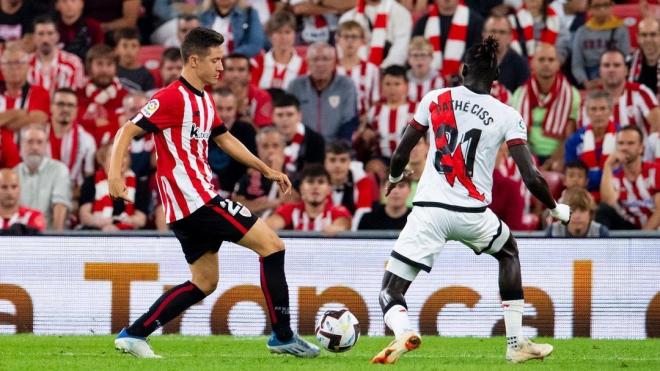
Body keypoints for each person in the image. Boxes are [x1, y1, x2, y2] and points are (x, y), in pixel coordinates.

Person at [109, 27, 319, 358]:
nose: (221, 68)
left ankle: (134, 335)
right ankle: (282, 335)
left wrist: (265, 169)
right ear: (194, 61)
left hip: (189, 207)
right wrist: (114, 177)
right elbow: (126, 131)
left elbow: (224, 138)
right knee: (273, 246)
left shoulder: (204, 99)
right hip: (197, 201)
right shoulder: (170, 97)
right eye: (216, 60)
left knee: (204, 282)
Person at [370, 36, 570, 365]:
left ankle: (403, 332)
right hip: (473, 213)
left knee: (390, 290)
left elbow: (401, 153)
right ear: (496, 79)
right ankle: (515, 341)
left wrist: (394, 179)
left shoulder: (434, 99)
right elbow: (531, 177)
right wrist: (556, 209)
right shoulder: (507, 114)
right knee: (508, 252)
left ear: (463, 70)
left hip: (429, 212)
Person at [511, 43, 581, 171]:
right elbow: (516, 133)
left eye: (551, 60)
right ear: (532, 63)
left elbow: (569, 135)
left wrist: (552, 161)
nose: (546, 64)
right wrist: (531, 162)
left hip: (559, 156)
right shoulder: (519, 94)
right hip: (528, 154)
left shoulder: (572, 94)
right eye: (541, 59)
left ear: (558, 64)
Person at [288, 42, 358, 141]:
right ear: (307, 62)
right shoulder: (295, 86)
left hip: (336, 148)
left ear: (334, 62)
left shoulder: (346, 85)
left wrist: (339, 148)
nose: (320, 64)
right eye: (315, 59)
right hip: (304, 146)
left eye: (325, 59)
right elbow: (290, 120)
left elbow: (349, 120)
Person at [582, 49, 660, 138]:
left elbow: (657, 125)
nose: (611, 70)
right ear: (600, 71)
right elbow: (585, 132)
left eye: (617, 65)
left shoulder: (641, 92)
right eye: (606, 65)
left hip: (639, 150)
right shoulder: (590, 99)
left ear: (626, 70)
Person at [597, 126, 660, 230]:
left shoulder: (655, 170)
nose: (624, 148)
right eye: (621, 143)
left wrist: (642, 237)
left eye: (630, 143)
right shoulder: (614, 177)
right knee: (602, 210)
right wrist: (607, 166)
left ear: (641, 148)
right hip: (628, 228)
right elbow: (608, 202)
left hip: (654, 232)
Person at [79, 142, 148, 231]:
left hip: (128, 234)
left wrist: (118, 226)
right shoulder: (91, 182)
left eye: (124, 156)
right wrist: (106, 224)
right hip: (96, 233)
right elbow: (84, 216)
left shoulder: (138, 183)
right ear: (103, 160)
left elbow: (141, 220)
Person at [15, 124, 72, 231]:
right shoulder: (13, 174)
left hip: (47, 236)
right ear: (21, 145)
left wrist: (55, 241)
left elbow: (60, 207)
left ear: (46, 146)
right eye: (30, 142)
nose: (35, 147)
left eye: (40, 142)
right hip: (19, 237)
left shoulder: (59, 170)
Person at [266, 164, 352, 233]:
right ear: (301, 188)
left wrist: (337, 229)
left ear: (329, 189)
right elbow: (268, 226)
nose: (315, 186)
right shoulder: (290, 210)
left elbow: (342, 224)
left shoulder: (338, 211)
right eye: (310, 182)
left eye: (321, 182)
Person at [412, 0, 484, 81]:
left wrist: (465, 64)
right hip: (428, 81)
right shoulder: (423, 22)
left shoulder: (475, 21)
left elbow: (477, 48)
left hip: (461, 80)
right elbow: (413, 49)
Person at [565, 90, 617, 199]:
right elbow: (570, 172)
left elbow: (623, 170)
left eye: (602, 108)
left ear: (611, 111)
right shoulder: (574, 140)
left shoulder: (622, 137)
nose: (598, 114)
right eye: (593, 109)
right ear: (587, 112)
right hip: (582, 195)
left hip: (615, 193)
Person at [358, 65, 416, 160]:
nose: (392, 88)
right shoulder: (374, 110)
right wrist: (366, 135)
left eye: (397, 84)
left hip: (410, 158)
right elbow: (366, 139)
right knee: (373, 167)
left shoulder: (416, 109)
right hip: (381, 158)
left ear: (406, 86)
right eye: (388, 84)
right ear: (382, 86)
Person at [207, 87, 257, 196]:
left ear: (236, 109)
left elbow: (252, 168)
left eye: (229, 109)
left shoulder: (247, 130)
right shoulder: (198, 129)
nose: (224, 114)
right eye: (219, 108)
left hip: (238, 195)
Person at [233, 127, 293, 218]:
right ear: (258, 148)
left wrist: (278, 171)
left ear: (283, 148)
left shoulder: (294, 172)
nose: (270, 150)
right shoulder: (248, 177)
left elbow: (290, 203)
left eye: (275, 145)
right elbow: (236, 205)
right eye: (265, 146)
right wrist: (271, 203)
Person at [571, 0, 630, 89]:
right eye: (597, 6)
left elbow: (624, 60)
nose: (602, 9)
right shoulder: (582, 32)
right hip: (590, 78)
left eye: (606, 5)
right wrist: (585, 82)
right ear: (589, 8)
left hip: (614, 75)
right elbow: (577, 63)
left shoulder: (621, 30)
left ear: (612, 6)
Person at [338, 0, 412, 68]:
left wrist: (382, 71)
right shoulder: (348, 17)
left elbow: (401, 48)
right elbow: (341, 49)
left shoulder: (401, 12)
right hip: (356, 71)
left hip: (389, 74)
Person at [47, 88, 97, 187]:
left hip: (73, 196)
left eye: (70, 105)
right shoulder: (36, 135)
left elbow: (89, 177)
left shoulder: (87, 140)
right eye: (60, 104)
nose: (65, 109)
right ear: (51, 107)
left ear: (76, 109)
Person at [27, 15, 85, 94]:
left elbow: (78, 96)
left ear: (57, 36)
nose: (45, 39)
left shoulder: (73, 63)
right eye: (40, 34)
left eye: (50, 33)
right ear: (33, 37)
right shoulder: (24, 64)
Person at [335, 20, 380, 119]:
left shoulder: (371, 69)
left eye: (354, 37)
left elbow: (375, 101)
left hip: (363, 120)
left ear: (362, 41)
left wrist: (365, 123)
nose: (350, 41)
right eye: (346, 36)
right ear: (338, 39)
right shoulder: (331, 68)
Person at [251, 11, 307, 90]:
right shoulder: (256, 63)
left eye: (287, 32)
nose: (283, 37)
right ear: (270, 35)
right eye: (278, 32)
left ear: (294, 34)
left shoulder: (305, 67)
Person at [272, 93, 325, 176]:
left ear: (299, 116)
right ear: (273, 117)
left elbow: (316, 175)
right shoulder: (266, 140)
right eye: (280, 115)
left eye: (290, 114)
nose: (285, 119)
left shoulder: (315, 141)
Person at [0, 43, 50, 130]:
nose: (14, 68)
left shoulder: (40, 93)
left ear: (28, 66)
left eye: (18, 63)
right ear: (1, 67)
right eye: (8, 63)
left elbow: (40, 118)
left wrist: (4, 119)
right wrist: (19, 113)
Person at [324, 140, 379, 217]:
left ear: (349, 162)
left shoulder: (362, 180)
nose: (337, 165)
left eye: (343, 160)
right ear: (325, 163)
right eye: (332, 160)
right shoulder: (317, 182)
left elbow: (363, 214)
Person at [221, 53, 273, 128]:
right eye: (230, 69)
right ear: (223, 74)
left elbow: (266, 133)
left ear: (249, 75)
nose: (235, 75)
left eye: (241, 70)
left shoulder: (262, 97)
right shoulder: (212, 97)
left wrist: (247, 122)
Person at [199, 0, 265, 58]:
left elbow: (255, 45)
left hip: (236, 65)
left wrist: (231, 57)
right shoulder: (201, 15)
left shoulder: (249, 13)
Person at [482, 14, 529, 93]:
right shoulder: (472, 59)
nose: (497, 36)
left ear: (510, 37)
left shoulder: (521, 65)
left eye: (502, 32)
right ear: (484, 34)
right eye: (493, 31)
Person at [0, 168, 46, 235]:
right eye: (4, 187)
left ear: (20, 189)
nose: (9, 192)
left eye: (14, 187)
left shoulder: (33, 216)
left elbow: (36, 242)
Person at [114, 28, 155, 92]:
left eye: (134, 46)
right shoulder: (110, 71)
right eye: (124, 45)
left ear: (139, 49)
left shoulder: (146, 76)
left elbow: (150, 99)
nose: (129, 50)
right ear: (116, 49)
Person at [406, 37, 445, 103]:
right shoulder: (402, 79)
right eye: (415, 55)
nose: (419, 59)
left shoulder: (440, 80)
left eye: (423, 55)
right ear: (408, 58)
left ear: (431, 58)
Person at [629, 18, 660, 96]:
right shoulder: (629, 63)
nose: (648, 39)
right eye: (644, 35)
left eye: (653, 34)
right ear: (637, 37)